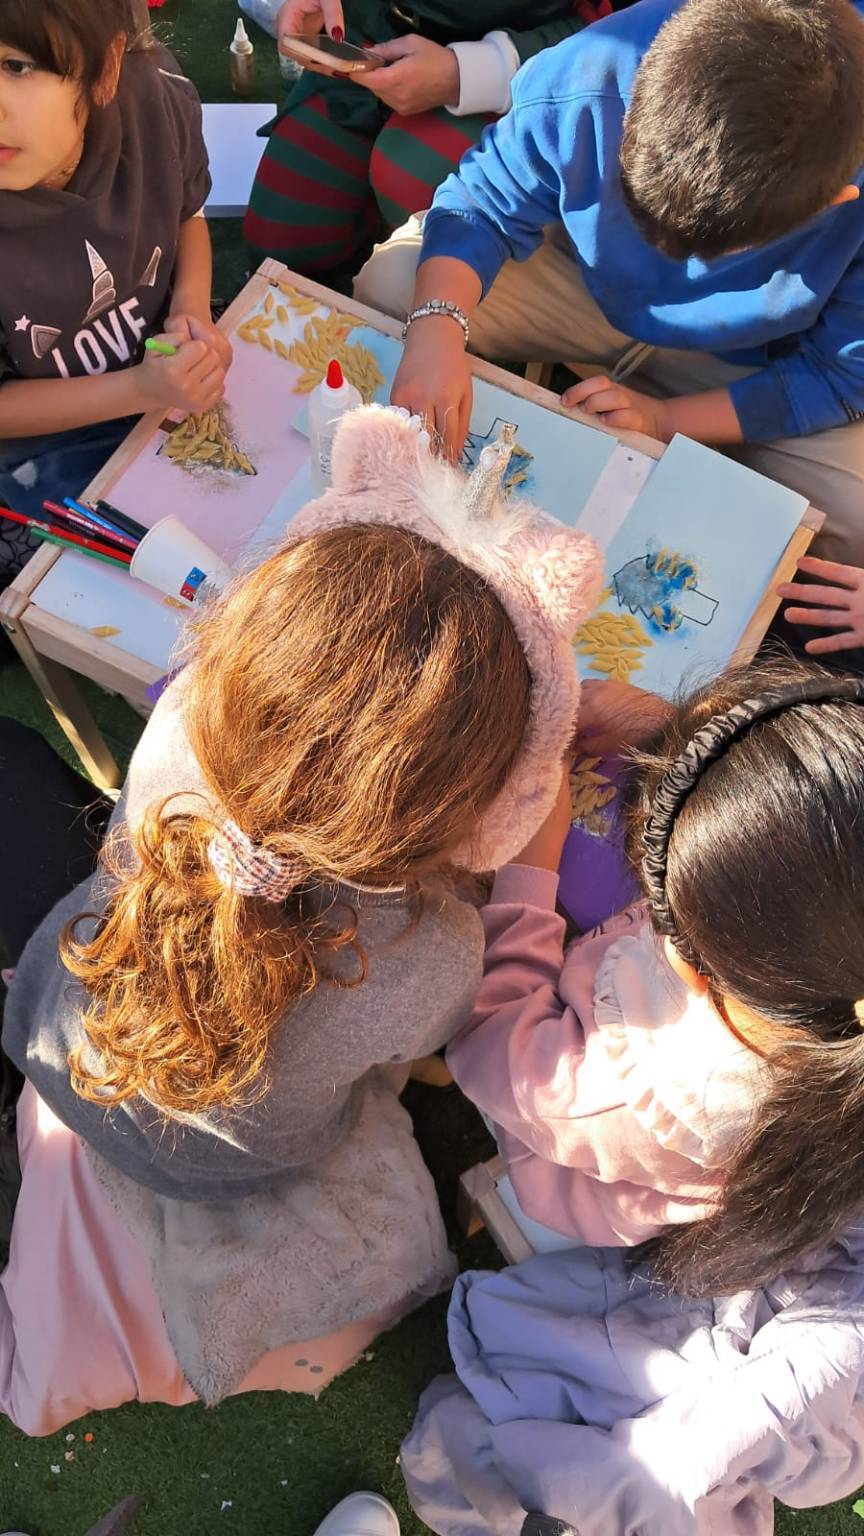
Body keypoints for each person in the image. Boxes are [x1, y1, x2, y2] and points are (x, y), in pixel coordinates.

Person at [0, 404, 601, 1435]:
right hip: (241, 1161)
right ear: (479, 811)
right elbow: (406, 1059)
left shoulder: (180, 736)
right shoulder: (439, 952)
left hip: (59, 1046)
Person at [399, 658, 864, 1533]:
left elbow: (496, 1044)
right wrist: (672, 737)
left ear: (682, 957)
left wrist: (530, 872)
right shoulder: (830, 1002)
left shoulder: (637, 1090)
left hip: (584, 1160)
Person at [355, 0, 864, 566]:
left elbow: (839, 375)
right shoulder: (598, 67)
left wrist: (668, 420)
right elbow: (484, 200)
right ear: (635, 104)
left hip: (755, 361)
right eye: (639, 207)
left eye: (728, 248)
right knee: (395, 288)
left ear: (837, 199)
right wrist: (436, 328)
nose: (670, 256)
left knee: (853, 519)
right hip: (579, 281)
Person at [0, 0, 231, 570]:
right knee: (113, 575)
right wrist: (140, 390)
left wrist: (190, 305)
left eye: (17, 66)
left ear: (105, 71)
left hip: (154, 373)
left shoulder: (154, 96)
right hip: (40, 438)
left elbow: (185, 214)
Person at [243, 0, 631, 275]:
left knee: (408, 173)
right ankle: (372, 200)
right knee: (281, 239)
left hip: (524, 67)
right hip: (370, 39)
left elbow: (633, 26)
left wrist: (466, 73)